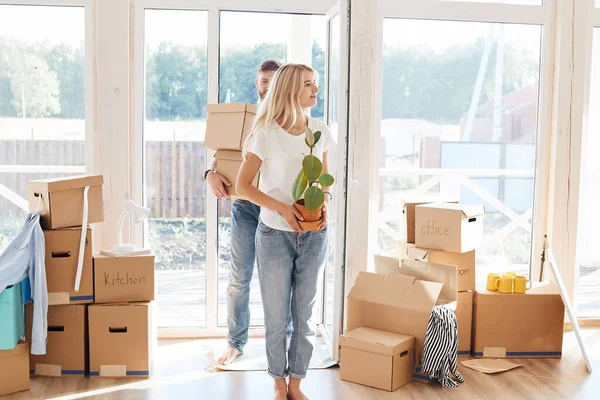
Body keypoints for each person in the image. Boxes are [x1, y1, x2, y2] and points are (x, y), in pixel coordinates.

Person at [237, 64, 333, 400]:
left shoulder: (319, 130)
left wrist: (322, 209)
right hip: (274, 235)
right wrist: (282, 208)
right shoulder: (265, 134)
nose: (315, 91)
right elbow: (243, 186)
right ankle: (278, 382)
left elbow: (322, 182)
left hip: (314, 235)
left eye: (316, 84)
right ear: (292, 89)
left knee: (304, 316)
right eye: (309, 85)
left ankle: (297, 384)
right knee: (277, 316)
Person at [205, 60, 293, 366]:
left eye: (273, 80)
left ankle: (285, 338)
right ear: (257, 84)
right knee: (239, 277)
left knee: (282, 279)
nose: (267, 86)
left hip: (277, 208)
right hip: (244, 207)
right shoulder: (245, 122)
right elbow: (219, 159)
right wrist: (209, 175)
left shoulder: (290, 123)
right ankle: (235, 343)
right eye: (262, 81)